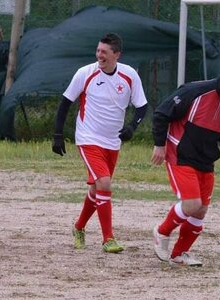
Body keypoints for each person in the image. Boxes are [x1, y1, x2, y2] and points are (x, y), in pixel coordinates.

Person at [52, 33, 149, 253]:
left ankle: (78, 227)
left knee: (98, 190)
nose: (99, 55)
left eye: (104, 52)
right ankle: (108, 239)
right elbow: (65, 103)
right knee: (104, 183)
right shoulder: (85, 73)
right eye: (98, 51)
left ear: (117, 54)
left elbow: (142, 106)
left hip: (112, 142)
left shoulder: (129, 75)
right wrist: (58, 134)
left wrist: (132, 126)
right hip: (88, 138)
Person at [151, 59, 220, 267]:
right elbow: (162, 113)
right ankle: (161, 232)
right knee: (192, 204)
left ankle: (179, 254)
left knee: (200, 211)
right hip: (180, 154)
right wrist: (159, 144)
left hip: (205, 159)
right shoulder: (195, 91)